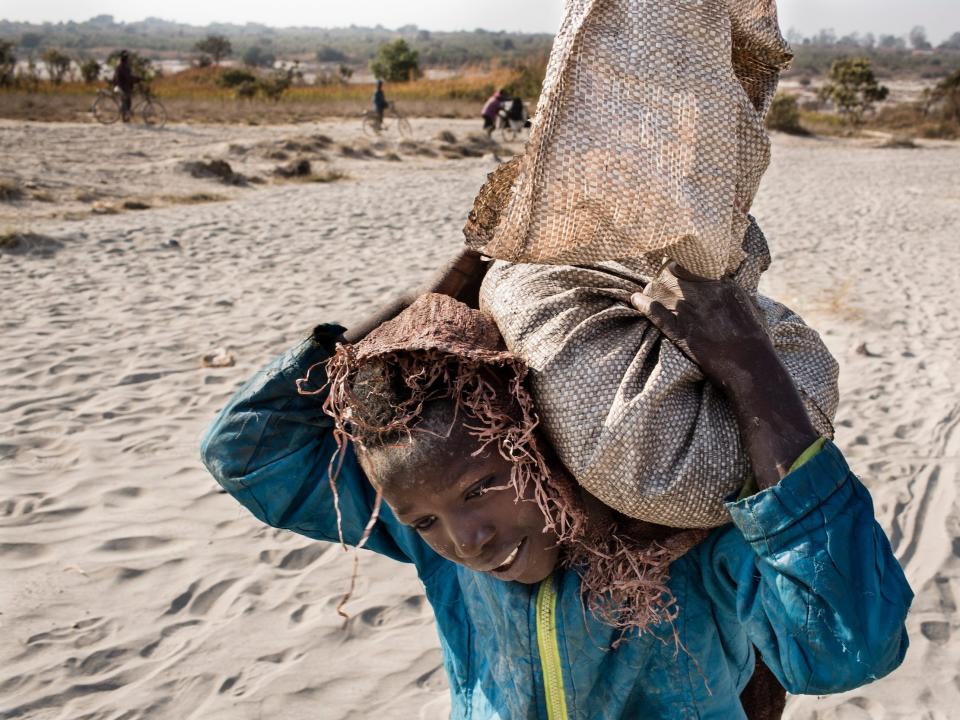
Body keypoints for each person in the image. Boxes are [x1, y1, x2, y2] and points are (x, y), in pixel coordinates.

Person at [201, 248, 912, 720]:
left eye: (481, 485)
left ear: (537, 444)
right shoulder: (434, 548)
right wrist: (414, 311)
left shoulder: (688, 548)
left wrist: (752, 371)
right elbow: (241, 450)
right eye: (425, 521)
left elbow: (847, 647)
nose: (466, 540)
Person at [111, 50, 140, 123]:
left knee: (127, 102)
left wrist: (135, 79)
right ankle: (124, 117)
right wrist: (137, 79)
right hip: (122, 87)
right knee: (126, 101)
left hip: (123, 86)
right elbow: (128, 77)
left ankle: (125, 117)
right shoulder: (122, 67)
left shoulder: (122, 66)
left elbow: (128, 76)